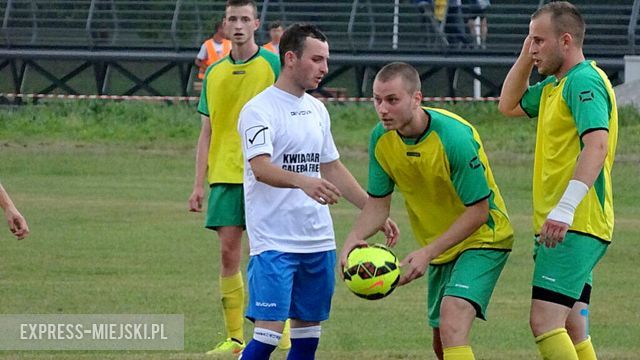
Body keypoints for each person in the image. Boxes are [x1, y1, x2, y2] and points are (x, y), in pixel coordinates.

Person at [237, 23, 398, 359]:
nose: (325, 68)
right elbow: (261, 167)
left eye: (326, 60)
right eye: (317, 59)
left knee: (308, 340)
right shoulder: (259, 109)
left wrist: (374, 212)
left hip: (317, 240)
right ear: (291, 58)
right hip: (274, 242)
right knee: (266, 338)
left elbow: (332, 167)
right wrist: (302, 180)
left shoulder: (317, 109)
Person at [340, 62, 514, 360]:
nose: (382, 109)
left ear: (416, 98)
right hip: (440, 245)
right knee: (442, 344)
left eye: (392, 100)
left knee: (452, 320)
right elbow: (378, 205)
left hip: (484, 238)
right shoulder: (380, 139)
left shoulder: (453, 138)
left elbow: (479, 211)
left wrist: (427, 252)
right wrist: (352, 238)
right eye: (377, 100)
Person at [498, 2, 617, 359]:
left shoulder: (583, 81)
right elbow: (508, 105)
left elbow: (596, 145)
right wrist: (526, 53)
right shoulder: (555, 85)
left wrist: (565, 209)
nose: (533, 49)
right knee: (572, 326)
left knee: (544, 322)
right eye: (529, 40)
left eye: (539, 41)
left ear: (565, 41)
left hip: (575, 223)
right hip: (567, 224)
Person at [188, 0, 282, 355]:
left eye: (245, 18)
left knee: (271, 254)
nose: (238, 25)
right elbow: (206, 132)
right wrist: (199, 183)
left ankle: (280, 329)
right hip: (226, 176)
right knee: (229, 254)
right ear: (224, 25)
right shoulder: (214, 73)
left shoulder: (274, 64)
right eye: (232, 19)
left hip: (268, 174)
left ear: (256, 23)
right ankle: (235, 337)